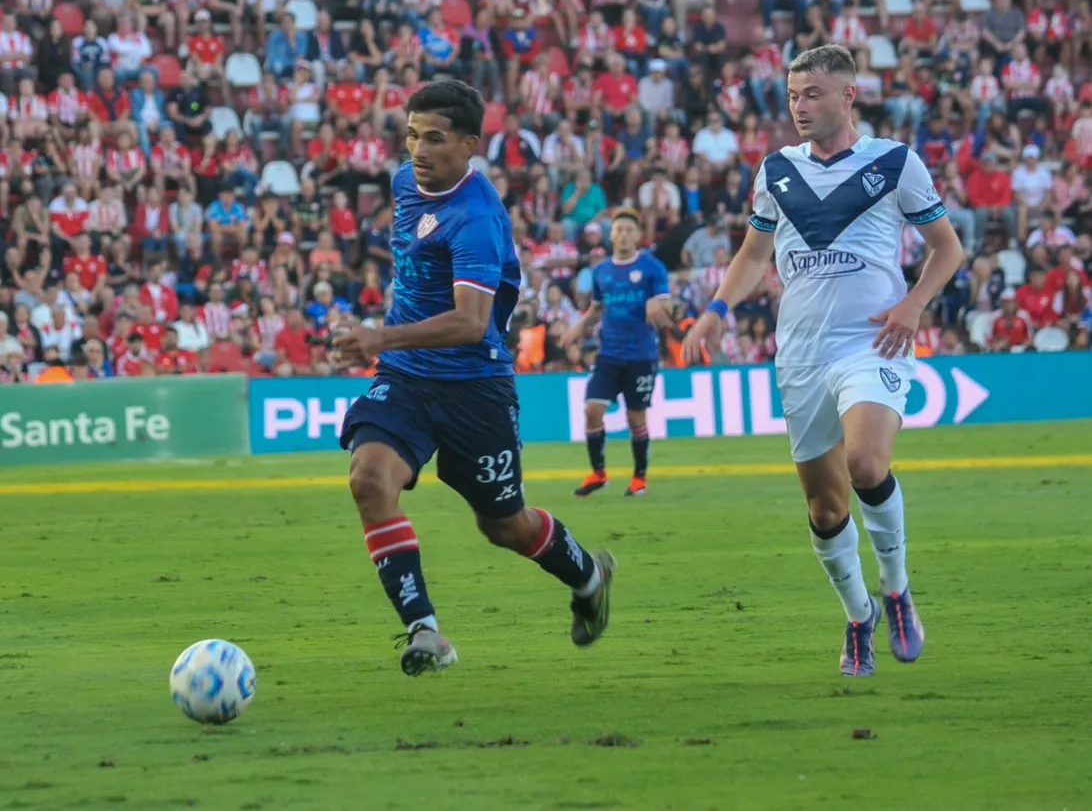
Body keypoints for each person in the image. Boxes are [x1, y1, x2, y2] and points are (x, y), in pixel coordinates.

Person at [682, 44, 964, 677]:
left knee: (866, 463)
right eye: (791, 96)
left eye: (811, 94)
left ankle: (896, 589)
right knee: (825, 509)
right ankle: (859, 615)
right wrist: (717, 309)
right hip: (802, 352)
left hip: (871, 340)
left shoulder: (894, 162)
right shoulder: (776, 170)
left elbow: (947, 248)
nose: (799, 107)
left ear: (848, 95)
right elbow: (755, 254)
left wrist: (913, 304)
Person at [334, 80, 616, 676]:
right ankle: (425, 631)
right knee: (369, 478)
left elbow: (470, 322)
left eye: (435, 139)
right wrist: (386, 343)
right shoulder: (405, 183)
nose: (419, 150)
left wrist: (379, 336)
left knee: (503, 525)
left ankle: (589, 576)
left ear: (470, 145)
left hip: (475, 387)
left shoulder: (478, 217)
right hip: (407, 376)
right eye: (412, 135)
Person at [558, 208, 673, 497]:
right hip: (608, 353)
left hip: (641, 355)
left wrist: (658, 307)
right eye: (619, 229)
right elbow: (596, 309)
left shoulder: (652, 268)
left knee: (636, 419)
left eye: (629, 230)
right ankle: (598, 473)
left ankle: (639, 478)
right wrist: (577, 328)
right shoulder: (601, 271)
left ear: (638, 236)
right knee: (591, 411)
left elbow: (667, 308)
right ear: (611, 235)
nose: (623, 235)